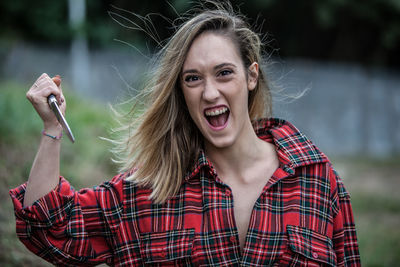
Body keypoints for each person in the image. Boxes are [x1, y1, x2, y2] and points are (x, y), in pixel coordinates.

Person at [10, 2, 361, 266]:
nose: (209, 93)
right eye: (193, 78)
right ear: (181, 91)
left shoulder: (316, 179)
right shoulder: (150, 191)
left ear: (251, 76)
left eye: (224, 73)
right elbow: (50, 231)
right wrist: (51, 128)